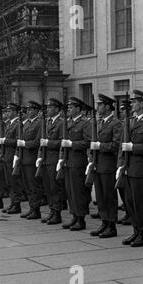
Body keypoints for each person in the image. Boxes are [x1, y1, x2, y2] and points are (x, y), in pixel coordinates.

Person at [120, 90, 143, 247]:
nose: (132, 104)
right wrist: (120, 166)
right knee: (129, 201)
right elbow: (122, 147)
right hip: (128, 168)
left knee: (140, 202)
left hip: (139, 169)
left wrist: (133, 147)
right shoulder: (129, 121)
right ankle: (136, 230)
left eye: (135, 102)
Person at [88, 94, 121, 238]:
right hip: (97, 164)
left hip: (108, 165)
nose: (97, 107)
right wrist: (91, 159)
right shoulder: (99, 122)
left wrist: (100, 146)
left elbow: (116, 145)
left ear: (108, 106)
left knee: (109, 196)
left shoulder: (116, 123)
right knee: (100, 196)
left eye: (100, 105)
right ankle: (104, 222)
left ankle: (112, 225)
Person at [59, 97, 92, 231]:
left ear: (78, 109)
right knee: (70, 191)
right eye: (68, 107)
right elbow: (62, 142)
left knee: (78, 191)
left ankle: (81, 219)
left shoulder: (85, 123)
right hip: (68, 160)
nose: (69, 109)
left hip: (78, 161)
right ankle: (74, 216)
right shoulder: (68, 122)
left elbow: (88, 142)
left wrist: (72, 144)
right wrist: (61, 158)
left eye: (72, 107)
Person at [37, 98, 67, 225]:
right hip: (45, 158)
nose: (48, 110)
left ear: (56, 109)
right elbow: (41, 142)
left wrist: (49, 143)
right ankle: (51, 211)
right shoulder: (47, 122)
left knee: (55, 187)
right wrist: (39, 156)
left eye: (50, 108)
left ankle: (57, 213)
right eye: (47, 108)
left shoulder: (61, 123)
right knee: (48, 187)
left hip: (54, 159)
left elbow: (62, 142)